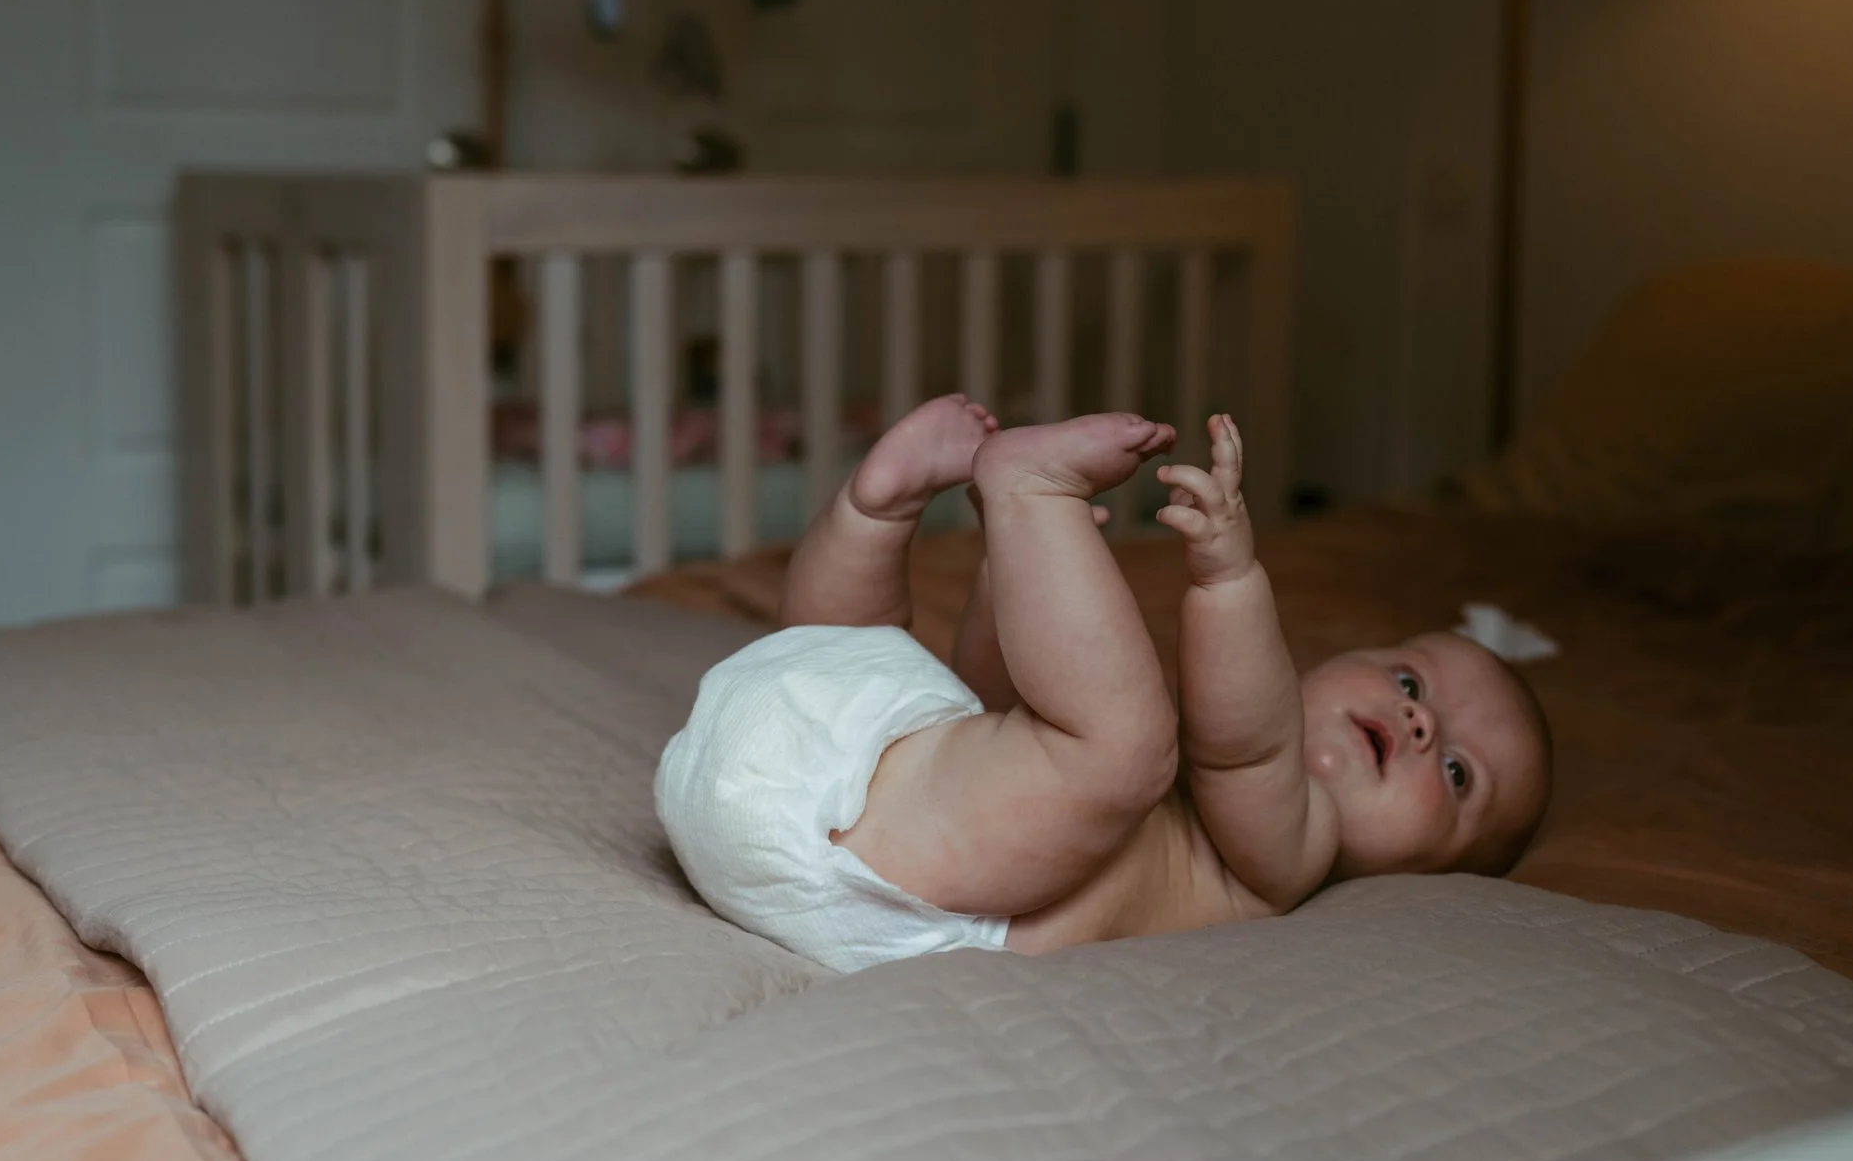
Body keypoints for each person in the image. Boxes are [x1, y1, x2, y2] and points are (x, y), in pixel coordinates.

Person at [655, 396, 1553, 972]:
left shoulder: (1293, 860)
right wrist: (1024, 589)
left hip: (823, 838)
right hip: (863, 846)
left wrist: (1231, 584)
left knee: (1124, 749)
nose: (1419, 722)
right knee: (929, 683)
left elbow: (1249, 745)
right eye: (1410, 678)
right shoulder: (1125, 798)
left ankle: (935, 503)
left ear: (1443, 876)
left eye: (1459, 774)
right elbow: (996, 708)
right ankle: (886, 513)